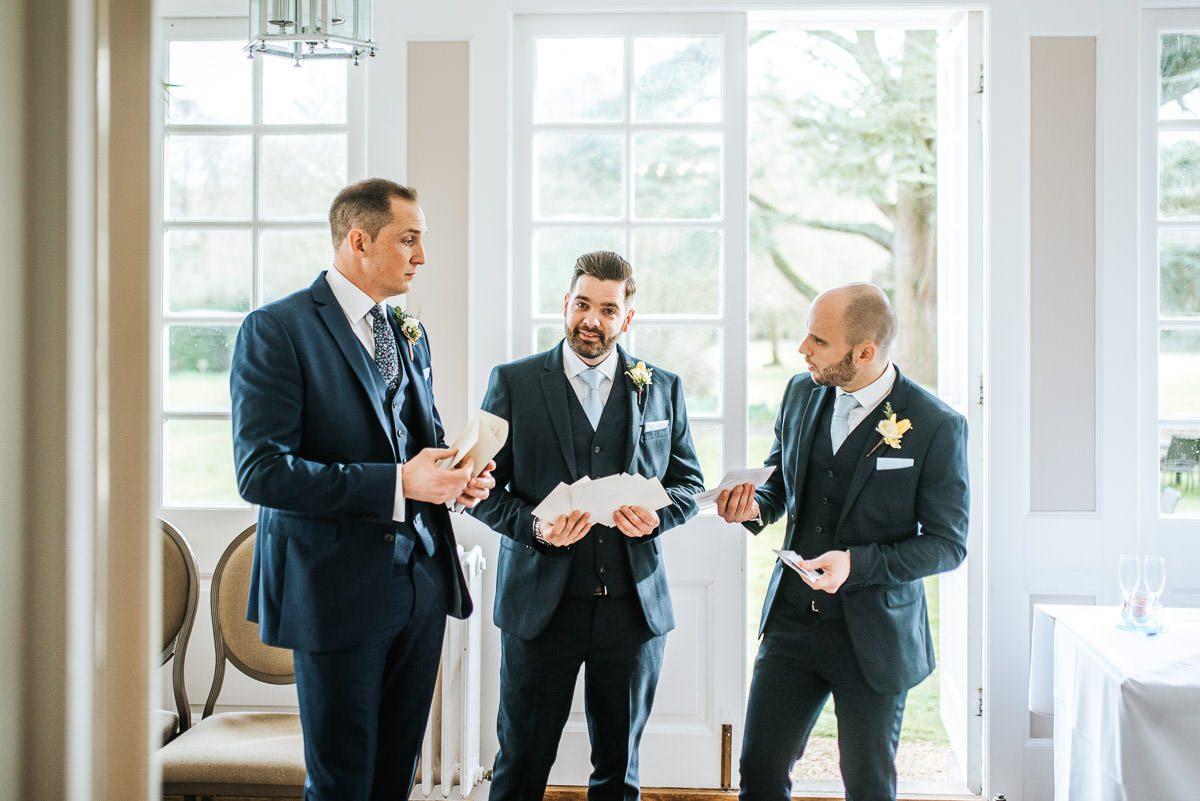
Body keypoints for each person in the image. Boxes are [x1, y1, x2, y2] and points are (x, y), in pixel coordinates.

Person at [230, 178, 495, 801]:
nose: (421, 257)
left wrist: (456, 480)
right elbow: (262, 472)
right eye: (409, 240)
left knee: (393, 776)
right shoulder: (277, 329)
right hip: (334, 592)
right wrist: (399, 484)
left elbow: (418, 440)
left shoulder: (408, 332)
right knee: (342, 781)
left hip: (422, 583)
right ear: (358, 241)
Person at [717, 282, 968, 801]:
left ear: (865, 352)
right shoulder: (800, 392)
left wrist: (856, 564)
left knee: (868, 783)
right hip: (791, 623)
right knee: (759, 770)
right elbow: (781, 484)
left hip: (874, 636)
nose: (802, 350)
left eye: (817, 341)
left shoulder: (936, 426)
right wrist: (753, 507)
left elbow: (947, 544)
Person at [469, 251, 705, 801]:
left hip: (632, 607)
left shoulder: (662, 386)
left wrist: (657, 517)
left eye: (607, 308)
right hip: (539, 609)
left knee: (619, 772)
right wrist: (534, 529)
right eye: (581, 305)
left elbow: (689, 483)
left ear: (628, 317)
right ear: (566, 305)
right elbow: (477, 490)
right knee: (521, 762)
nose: (591, 320)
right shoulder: (514, 382)